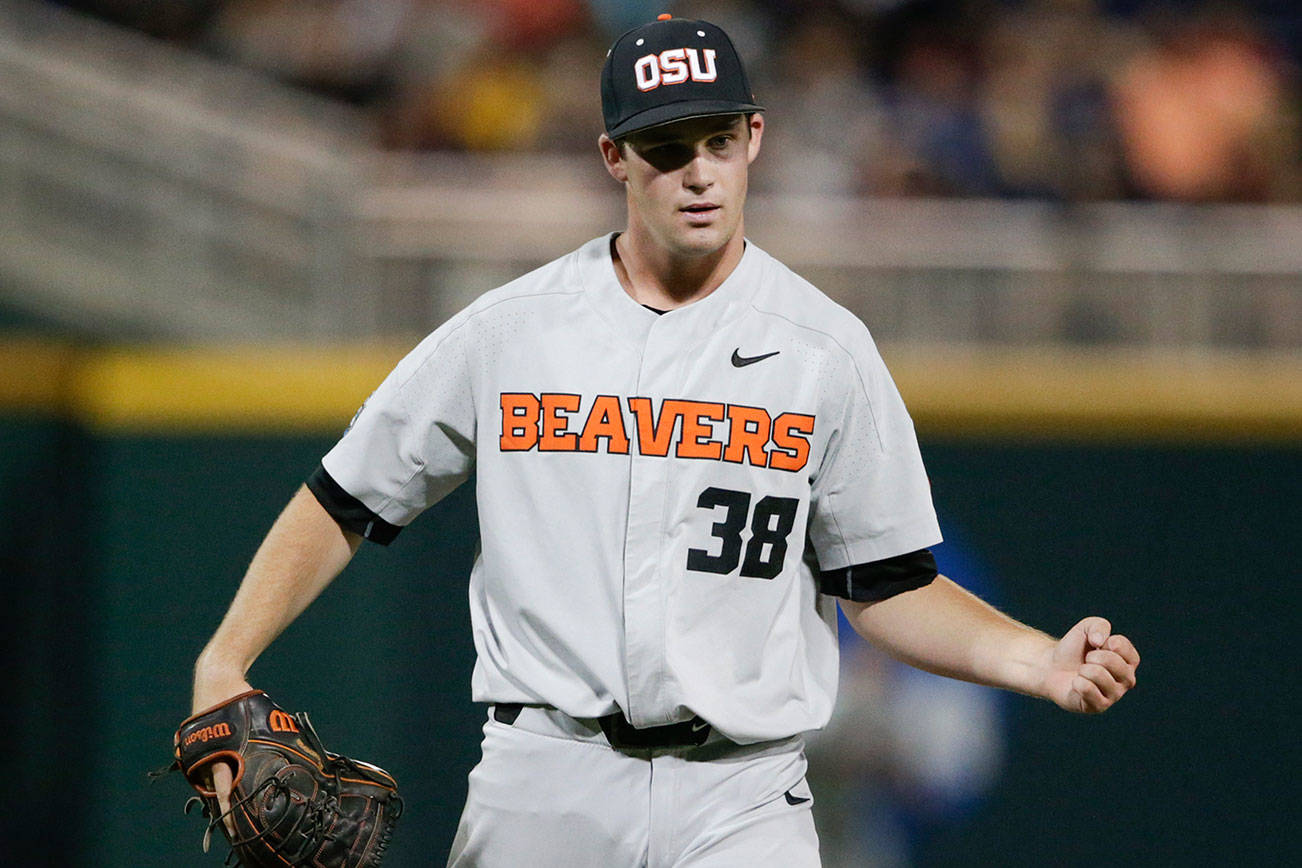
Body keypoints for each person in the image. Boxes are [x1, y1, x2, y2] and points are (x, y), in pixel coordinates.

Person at [191, 15, 1139, 867]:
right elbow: (346, 497)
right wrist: (223, 659)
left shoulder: (824, 350)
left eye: (719, 141)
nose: (697, 172)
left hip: (745, 794)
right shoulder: (511, 332)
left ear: (755, 139)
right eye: (666, 146)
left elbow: (886, 586)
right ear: (614, 156)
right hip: (544, 778)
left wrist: (1037, 660)